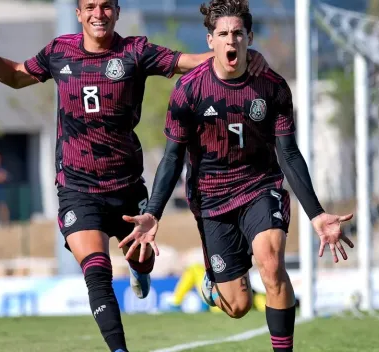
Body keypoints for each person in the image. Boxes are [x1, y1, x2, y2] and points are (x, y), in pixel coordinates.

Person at [0, 1, 269, 351]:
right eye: (90, 6)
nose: (98, 13)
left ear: (118, 11)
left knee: (143, 259)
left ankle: (140, 269)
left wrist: (242, 54)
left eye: (106, 6)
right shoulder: (58, 51)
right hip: (77, 187)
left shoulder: (135, 52)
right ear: (78, 13)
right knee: (96, 270)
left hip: (126, 187)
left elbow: (191, 62)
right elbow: (17, 75)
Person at [118, 1, 355, 351]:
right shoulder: (189, 90)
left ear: (249, 38)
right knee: (239, 307)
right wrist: (154, 211)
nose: (231, 41)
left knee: (271, 264)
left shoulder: (272, 87)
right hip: (212, 199)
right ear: (211, 40)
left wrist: (317, 214)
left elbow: (287, 153)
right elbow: (172, 157)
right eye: (224, 34)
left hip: (261, 186)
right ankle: (214, 283)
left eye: (238, 33)